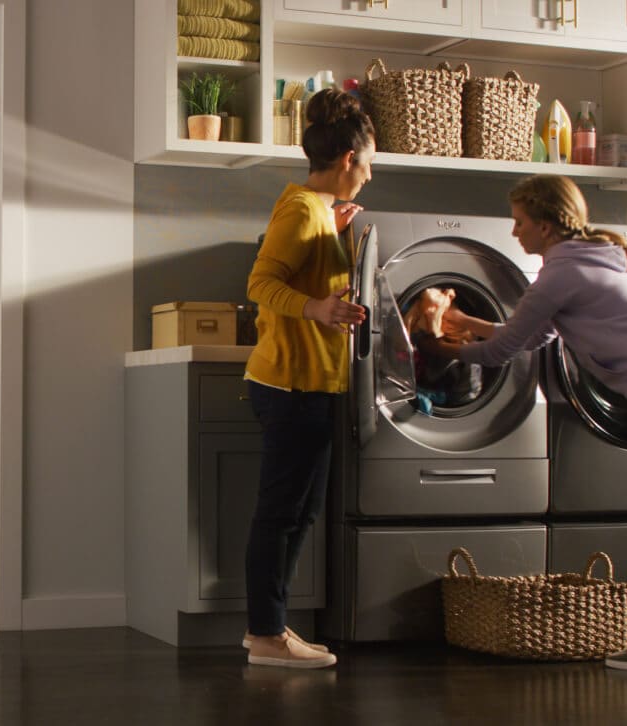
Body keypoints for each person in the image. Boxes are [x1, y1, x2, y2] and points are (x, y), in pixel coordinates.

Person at [409, 174, 627, 674]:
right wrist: (464, 321)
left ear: (547, 226)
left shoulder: (559, 275)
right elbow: (538, 335)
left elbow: (507, 348)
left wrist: (436, 347)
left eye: (521, 222)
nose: (515, 232)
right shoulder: (583, 263)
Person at [241, 88, 372, 669]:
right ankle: (265, 635)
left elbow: (313, 280)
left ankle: (274, 629)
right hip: (289, 385)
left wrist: (336, 230)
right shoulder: (300, 208)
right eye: (368, 163)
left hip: (315, 386)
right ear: (348, 159)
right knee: (280, 514)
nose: (369, 175)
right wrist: (318, 309)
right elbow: (260, 283)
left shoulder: (322, 213)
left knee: (301, 512)